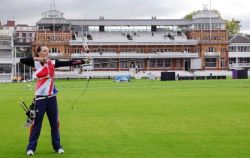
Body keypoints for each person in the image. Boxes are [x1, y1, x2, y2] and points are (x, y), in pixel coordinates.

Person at [20, 45, 91, 156]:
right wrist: (38, 59)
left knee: (54, 124)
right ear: (39, 53)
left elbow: (69, 62)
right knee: (36, 124)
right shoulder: (35, 63)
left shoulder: (52, 63)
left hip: (52, 98)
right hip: (40, 99)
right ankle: (31, 148)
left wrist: (83, 61)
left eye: (48, 51)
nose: (46, 53)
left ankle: (57, 146)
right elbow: (22, 60)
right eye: (44, 51)